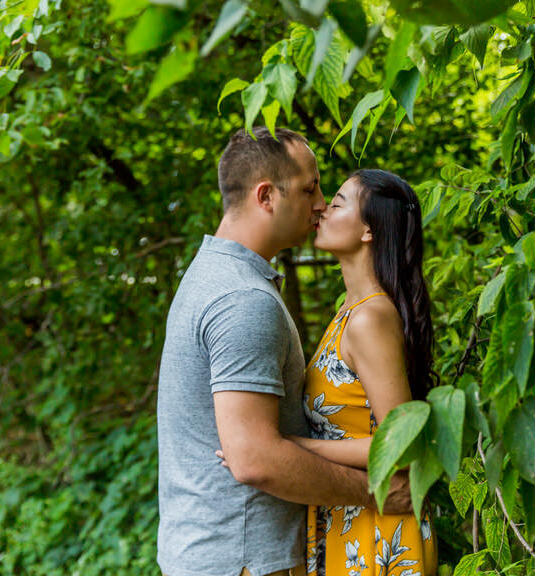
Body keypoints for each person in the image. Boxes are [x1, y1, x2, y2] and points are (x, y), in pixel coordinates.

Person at [156, 128, 410, 576]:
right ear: (266, 196)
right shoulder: (242, 300)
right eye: (310, 188)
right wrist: (375, 494)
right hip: (242, 558)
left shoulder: (214, 275)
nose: (320, 203)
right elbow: (255, 458)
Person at [219, 169, 438, 575]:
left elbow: (402, 446)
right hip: (348, 520)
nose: (320, 209)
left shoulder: (370, 318)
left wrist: (290, 446)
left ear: (369, 231)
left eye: (336, 203)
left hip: (378, 533)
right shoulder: (348, 312)